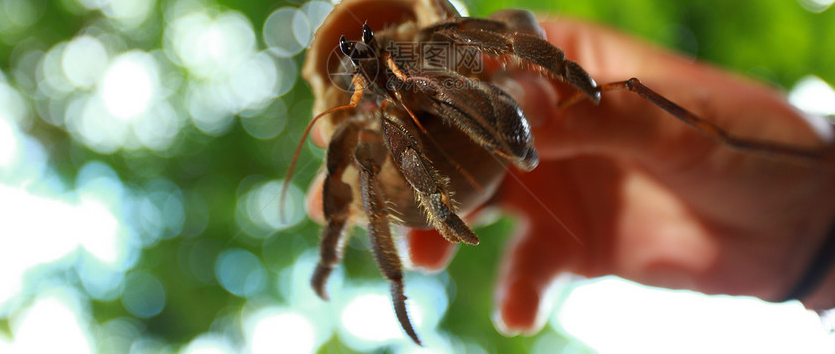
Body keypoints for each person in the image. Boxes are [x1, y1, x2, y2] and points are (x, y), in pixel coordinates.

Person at [310, 18, 835, 335]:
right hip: (403, 141)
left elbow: (486, 36)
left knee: (479, 49)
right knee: (360, 179)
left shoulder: (426, 48)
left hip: (449, 82)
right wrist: (808, 253)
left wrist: (819, 211)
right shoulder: (363, 122)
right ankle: (377, 280)